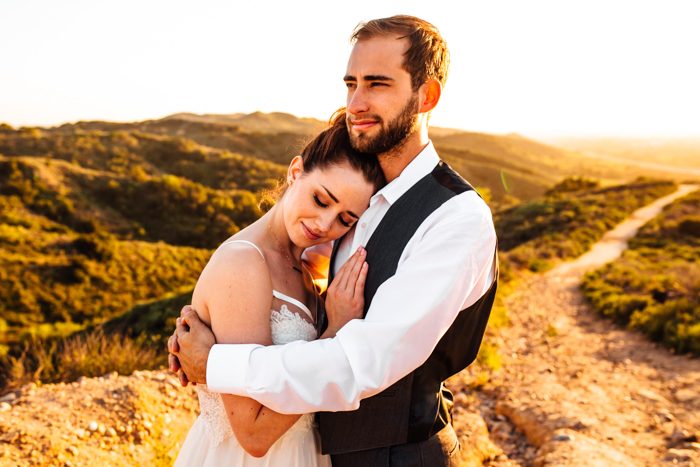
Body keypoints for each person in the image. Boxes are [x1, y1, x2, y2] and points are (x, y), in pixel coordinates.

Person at [170, 15, 498, 467]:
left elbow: (362, 361)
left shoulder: (456, 217)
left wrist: (217, 364)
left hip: (402, 459)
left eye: (377, 84)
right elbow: (273, 288)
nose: (356, 102)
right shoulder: (355, 203)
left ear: (428, 95)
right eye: (351, 84)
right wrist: (205, 319)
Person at [173, 110, 386, 466]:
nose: (324, 224)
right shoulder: (243, 263)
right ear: (295, 171)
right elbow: (253, 433)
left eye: (345, 220)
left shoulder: (305, 272)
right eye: (321, 199)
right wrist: (334, 333)